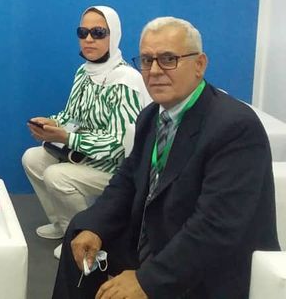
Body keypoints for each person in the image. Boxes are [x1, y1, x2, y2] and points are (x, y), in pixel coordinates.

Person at [52, 17, 280, 299]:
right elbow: (126, 181)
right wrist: (94, 225)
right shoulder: (152, 116)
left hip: (211, 265)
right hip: (160, 237)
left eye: (169, 59)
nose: (155, 70)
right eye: (147, 60)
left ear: (199, 65)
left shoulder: (234, 127)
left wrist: (147, 281)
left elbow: (216, 227)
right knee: (80, 234)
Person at [22, 6, 150, 259]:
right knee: (32, 158)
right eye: (83, 32)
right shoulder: (84, 71)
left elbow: (118, 144)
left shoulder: (125, 80)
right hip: (83, 156)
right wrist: (52, 124)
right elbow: (72, 116)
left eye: (98, 32)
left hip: (118, 169)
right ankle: (63, 225)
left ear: (114, 36)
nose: (89, 39)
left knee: (57, 175)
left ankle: (84, 236)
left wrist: (68, 138)